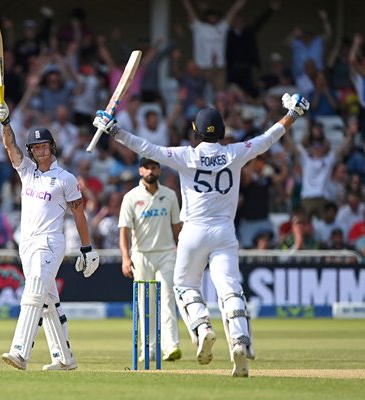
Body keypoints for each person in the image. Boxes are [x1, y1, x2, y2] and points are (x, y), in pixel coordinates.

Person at [93, 92, 310, 377]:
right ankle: (240, 342)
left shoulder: (186, 155)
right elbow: (269, 137)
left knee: (184, 285)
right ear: (221, 132)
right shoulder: (235, 152)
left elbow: (146, 146)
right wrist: (293, 114)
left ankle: (203, 326)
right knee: (230, 288)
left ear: (195, 133)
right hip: (224, 232)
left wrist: (114, 130)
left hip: (193, 231)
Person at [0, 101, 100, 371]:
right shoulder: (27, 171)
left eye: (44, 146)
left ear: (52, 147)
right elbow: (10, 147)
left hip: (50, 242)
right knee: (49, 300)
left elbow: (79, 214)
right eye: (35, 148)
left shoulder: (65, 178)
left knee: (34, 291)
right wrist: (5, 123)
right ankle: (65, 358)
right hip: (26, 243)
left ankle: (20, 351)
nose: (40, 151)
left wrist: (88, 248)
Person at [118, 157, 183, 362]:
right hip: (141, 255)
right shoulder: (131, 197)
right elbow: (124, 231)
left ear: (159, 170)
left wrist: (181, 253)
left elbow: (177, 228)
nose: (151, 172)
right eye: (147, 168)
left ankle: (171, 345)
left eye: (154, 168)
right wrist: (126, 258)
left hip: (165, 253)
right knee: (145, 304)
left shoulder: (170, 195)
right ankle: (149, 347)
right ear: (140, 171)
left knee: (167, 299)